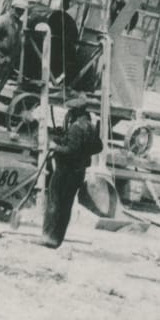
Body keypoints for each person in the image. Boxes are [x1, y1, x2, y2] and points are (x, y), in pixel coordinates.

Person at [39, 103, 103, 249]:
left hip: (65, 171)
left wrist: (56, 147)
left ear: (75, 113)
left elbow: (71, 150)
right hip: (78, 173)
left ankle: (47, 236)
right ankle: (57, 240)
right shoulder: (91, 127)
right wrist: (81, 150)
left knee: (54, 202)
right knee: (66, 206)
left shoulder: (75, 127)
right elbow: (98, 147)